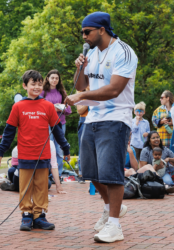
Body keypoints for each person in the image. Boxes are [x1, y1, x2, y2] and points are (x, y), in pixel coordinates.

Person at [65, 12, 138, 243]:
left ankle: (115, 226)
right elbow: (81, 85)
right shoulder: (92, 53)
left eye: (87, 32)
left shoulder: (123, 52)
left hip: (116, 117)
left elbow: (114, 89)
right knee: (89, 171)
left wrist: (82, 95)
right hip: (93, 117)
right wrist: (80, 68)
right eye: (82, 33)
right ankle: (110, 208)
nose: (84, 36)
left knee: (111, 173)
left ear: (102, 30)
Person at [0, 70, 70, 231]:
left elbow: (57, 130)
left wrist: (65, 148)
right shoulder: (18, 106)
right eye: (33, 84)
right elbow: (9, 132)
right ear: (25, 86)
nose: (36, 87)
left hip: (43, 155)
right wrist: (1, 151)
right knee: (25, 187)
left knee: (41, 187)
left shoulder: (47, 106)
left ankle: (39, 216)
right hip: (25, 155)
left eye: (39, 84)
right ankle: (26, 216)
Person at [1, 141, 67, 194]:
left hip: (36, 175)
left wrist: (58, 186)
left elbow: (54, 165)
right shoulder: (28, 142)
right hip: (22, 177)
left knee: (48, 184)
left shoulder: (50, 144)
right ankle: (18, 186)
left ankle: (16, 187)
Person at [40, 69, 72, 176]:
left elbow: (69, 110)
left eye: (56, 78)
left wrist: (60, 108)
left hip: (60, 123)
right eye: (52, 78)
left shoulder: (62, 92)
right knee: (48, 147)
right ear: (48, 79)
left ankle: (58, 174)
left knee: (59, 149)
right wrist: (51, 108)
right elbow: (39, 109)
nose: (54, 80)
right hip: (47, 124)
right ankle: (48, 173)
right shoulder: (43, 92)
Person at [76, 86, 90, 183]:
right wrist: (89, 99)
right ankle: (82, 174)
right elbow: (80, 111)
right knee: (83, 148)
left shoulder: (99, 90)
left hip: (97, 120)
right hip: (84, 120)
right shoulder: (80, 92)